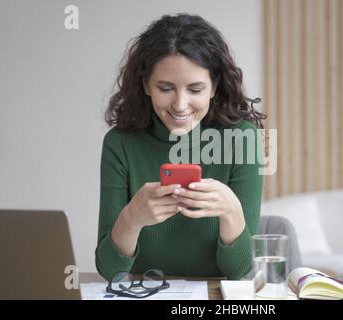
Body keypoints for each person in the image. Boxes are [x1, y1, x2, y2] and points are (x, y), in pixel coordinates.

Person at [95, 13, 266, 281]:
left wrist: (231, 212)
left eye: (195, 89)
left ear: (214, 88)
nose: (180, 105)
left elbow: (239, 271)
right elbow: (110, 271)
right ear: (146, 85)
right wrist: (131, 218)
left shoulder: (242, 139)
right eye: (166, 88)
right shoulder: (121, 144)